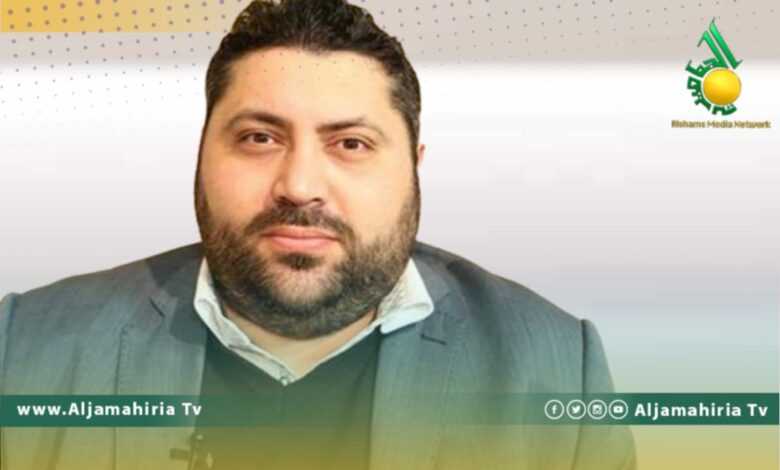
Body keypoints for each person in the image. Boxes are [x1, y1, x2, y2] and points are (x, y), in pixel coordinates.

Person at [0, 1, 636, 469]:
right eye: (259, 138)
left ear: (413, 168)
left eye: (351, 143)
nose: (300, 185)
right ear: (201, 154)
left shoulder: (557, 368)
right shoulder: (20, 348)